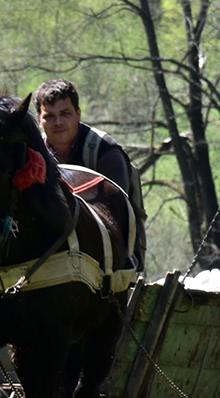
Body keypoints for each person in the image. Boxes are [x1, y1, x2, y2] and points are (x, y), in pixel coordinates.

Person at [32, 79, 146, 271]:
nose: (58, 122)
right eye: (49, 116)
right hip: (50, 250)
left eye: (65, 114)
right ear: (39, 121)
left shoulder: (105, 151)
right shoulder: (34, 155)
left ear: (78, 114)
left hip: (108, 252)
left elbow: (113, 214)